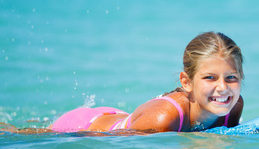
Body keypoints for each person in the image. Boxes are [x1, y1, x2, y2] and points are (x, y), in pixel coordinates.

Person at [50, 32, 244, 133]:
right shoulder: (163, 118)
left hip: (125, 118)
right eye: (210, 77)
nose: (223, 88)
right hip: (85, 126)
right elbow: (123, 148)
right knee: (30, 133)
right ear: (187, 82)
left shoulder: (233, 105)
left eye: (231, 78)